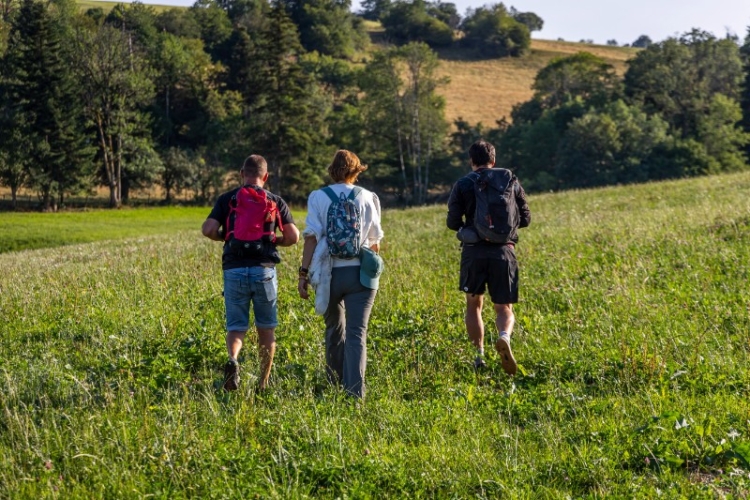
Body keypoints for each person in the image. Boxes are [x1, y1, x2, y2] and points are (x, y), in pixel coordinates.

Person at [202, 154, 300, 392]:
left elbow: (208, 229)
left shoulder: (228, 198)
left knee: (236, 326)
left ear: (241, 174)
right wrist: (273, 241)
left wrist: (225, 236)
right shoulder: (275, 200)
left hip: (234, 269)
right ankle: (263, 383)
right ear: (265, 176)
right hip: (264, 270)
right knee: (266, 328)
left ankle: (233, 359)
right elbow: (293, 237)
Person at [297, 150, 384, 399]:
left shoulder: (318, 197)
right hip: (361, 276)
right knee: (357, 334)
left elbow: (311, 238)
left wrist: (303, 274)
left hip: (328, 274)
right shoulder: (369, 197)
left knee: (334, 329)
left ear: (331, 170)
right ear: (356, 170)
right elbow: (374, 243)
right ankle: (355, 395)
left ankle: (333, 386)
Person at [446, 140, 531, 375]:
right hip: (504, 251)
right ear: (493, 160)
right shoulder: (510, 181)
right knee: (504, 307)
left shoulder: (463, 184)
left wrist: (470, 228)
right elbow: (525, 218)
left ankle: (478, 356)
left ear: (471, 161)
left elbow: (452, 222)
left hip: (473, 252)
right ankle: (504, 337)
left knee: (474, 305)